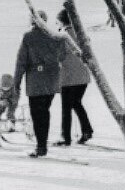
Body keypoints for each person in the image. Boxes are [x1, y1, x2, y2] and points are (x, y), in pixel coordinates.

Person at [12, 10, 66, 157]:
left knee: (37, 114)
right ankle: (42, 144)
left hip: (36, 80)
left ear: (32, 21)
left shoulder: (28, 37)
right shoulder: (55, 36)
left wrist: (16, 82)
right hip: (52, 79)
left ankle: (41, 146)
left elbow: (21, 61)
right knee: (45, 112)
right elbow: (63, 55)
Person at [54, 8, 93, 146]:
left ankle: (66, 137)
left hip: (69, 78)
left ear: (62, 22)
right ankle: (87, 130)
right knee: (76, 103)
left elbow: (58, 57)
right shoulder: (80, 34)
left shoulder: (63, 36)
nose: (56, 24)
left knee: (66, 108)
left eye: (57, 22)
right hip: (83, 77)